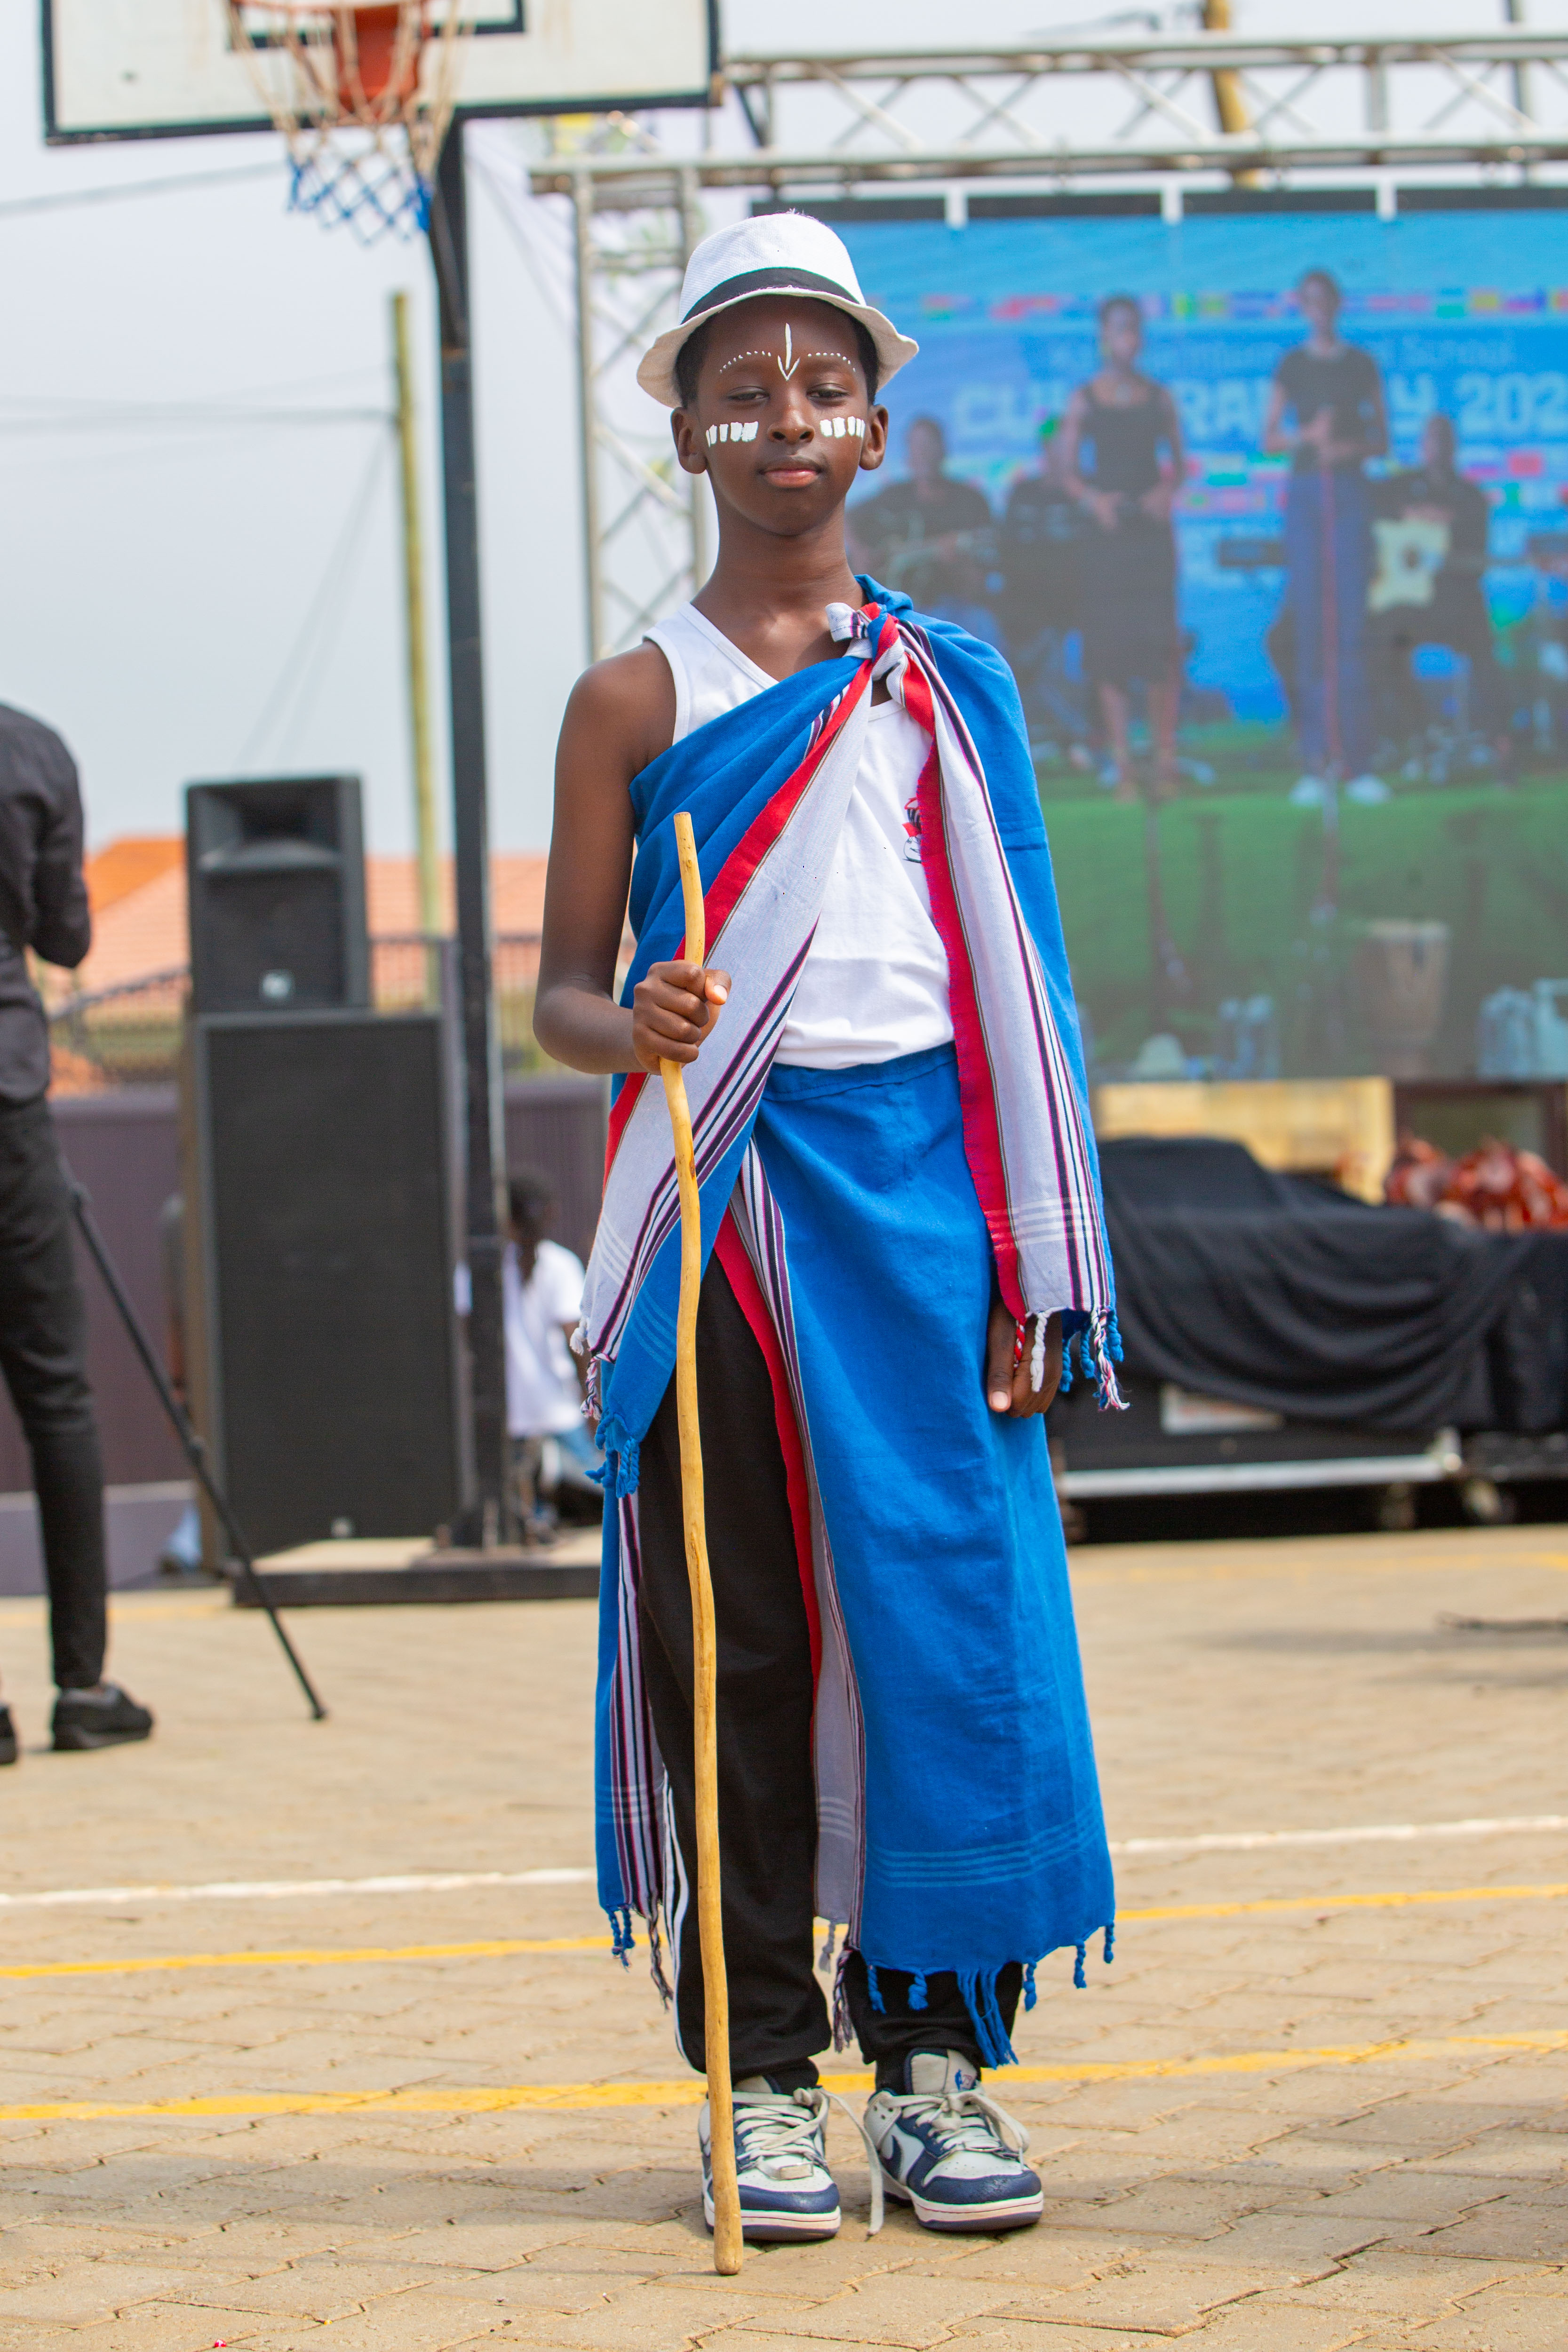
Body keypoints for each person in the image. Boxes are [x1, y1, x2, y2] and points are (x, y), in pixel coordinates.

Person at [535, 212, 1119, 2248]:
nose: (784, 415)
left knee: (948, 1625)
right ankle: (763, 2072)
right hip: (730, 1196)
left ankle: (935, 2061)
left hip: (937, 1208)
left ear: (875, 424)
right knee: (749, 1640)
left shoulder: (947, 682)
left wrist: (1041, 1263)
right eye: (742, 387)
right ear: (686, 431)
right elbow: (557, 996)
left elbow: (1027, 979)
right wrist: (638, 1014)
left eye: (822, 383)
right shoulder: (633, 696)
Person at [0, 702, 153, 1767]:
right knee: (56, 1392)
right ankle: (83, 1684)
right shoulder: (31, 748)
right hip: (8, 1097)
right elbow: (65, 937)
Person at [1262, 267, 1389, 803]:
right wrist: (1307, 438)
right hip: (1307, 494)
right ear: (1302, 305)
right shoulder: (1292, 364)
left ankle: (1358, 764)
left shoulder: (1360, 363)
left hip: (1350, 493)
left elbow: (1382, 437)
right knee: (1311, 629)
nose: (1318, 308)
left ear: (1337, 303)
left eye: (1325, 299)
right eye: (1309, 300)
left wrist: (1347, 449)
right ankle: (1316, 762)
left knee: (1350, 629)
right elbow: (1270, 437)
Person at [1059, 295, 1186, 800]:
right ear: (1103, 336)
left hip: (1150, 538)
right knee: (1110, 652)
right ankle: (1124, 765)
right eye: (1116, 328)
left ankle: (1165, 759)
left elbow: (1180, 464)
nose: (1125, 337)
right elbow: (1066, 471)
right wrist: (1095, 501)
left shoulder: (1159, 397)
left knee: (1159, 649)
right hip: (1107, 540)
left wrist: (1164, 492)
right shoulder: (1085, 399)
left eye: (1132, 327)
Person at [1369, 413, 1508, 760]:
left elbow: (1477, 557)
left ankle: (1498, 739)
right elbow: (1371, 515)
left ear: (1455, 446)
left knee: (1484, 648)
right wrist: (1413, 514)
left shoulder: (1471, 497)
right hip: (1408, 608)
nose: (1438, 447)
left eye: (1445, 440)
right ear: (1422, 445)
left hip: (1457, 608)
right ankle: (1414, 734)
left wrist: (1448, 524)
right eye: (1432, 439)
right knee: (1379, 642)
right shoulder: (1398, 488)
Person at [501, 1168, 600, 1534]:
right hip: (560, 1410)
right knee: (600, 1492)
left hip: (512, 1413)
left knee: (523, 1503)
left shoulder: (485, 1266)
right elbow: (576, 1343)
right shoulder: (561, 1265)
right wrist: (592, 1402)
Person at [847, 413, 998, 640]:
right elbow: (848, 516)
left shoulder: (970, 501)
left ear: (943, 450)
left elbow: (982, 576)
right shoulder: (894, 496)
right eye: (917, 447)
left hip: (952, 609)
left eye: (929, 446)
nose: (923, 454)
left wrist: (955, 561)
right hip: (896, 610)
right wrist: (860, 552)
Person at [996, 418, 1091, 762]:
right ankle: (1025, 738)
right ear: (1045, 450)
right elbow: (1005, 553)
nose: (1060, 454)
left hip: (1082, 609)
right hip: (1025, 610)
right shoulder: (1024, 494)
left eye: (1068, 447)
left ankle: (1083, 738)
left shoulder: (1092, 497)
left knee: (1077, 654)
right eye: (1054, 446)